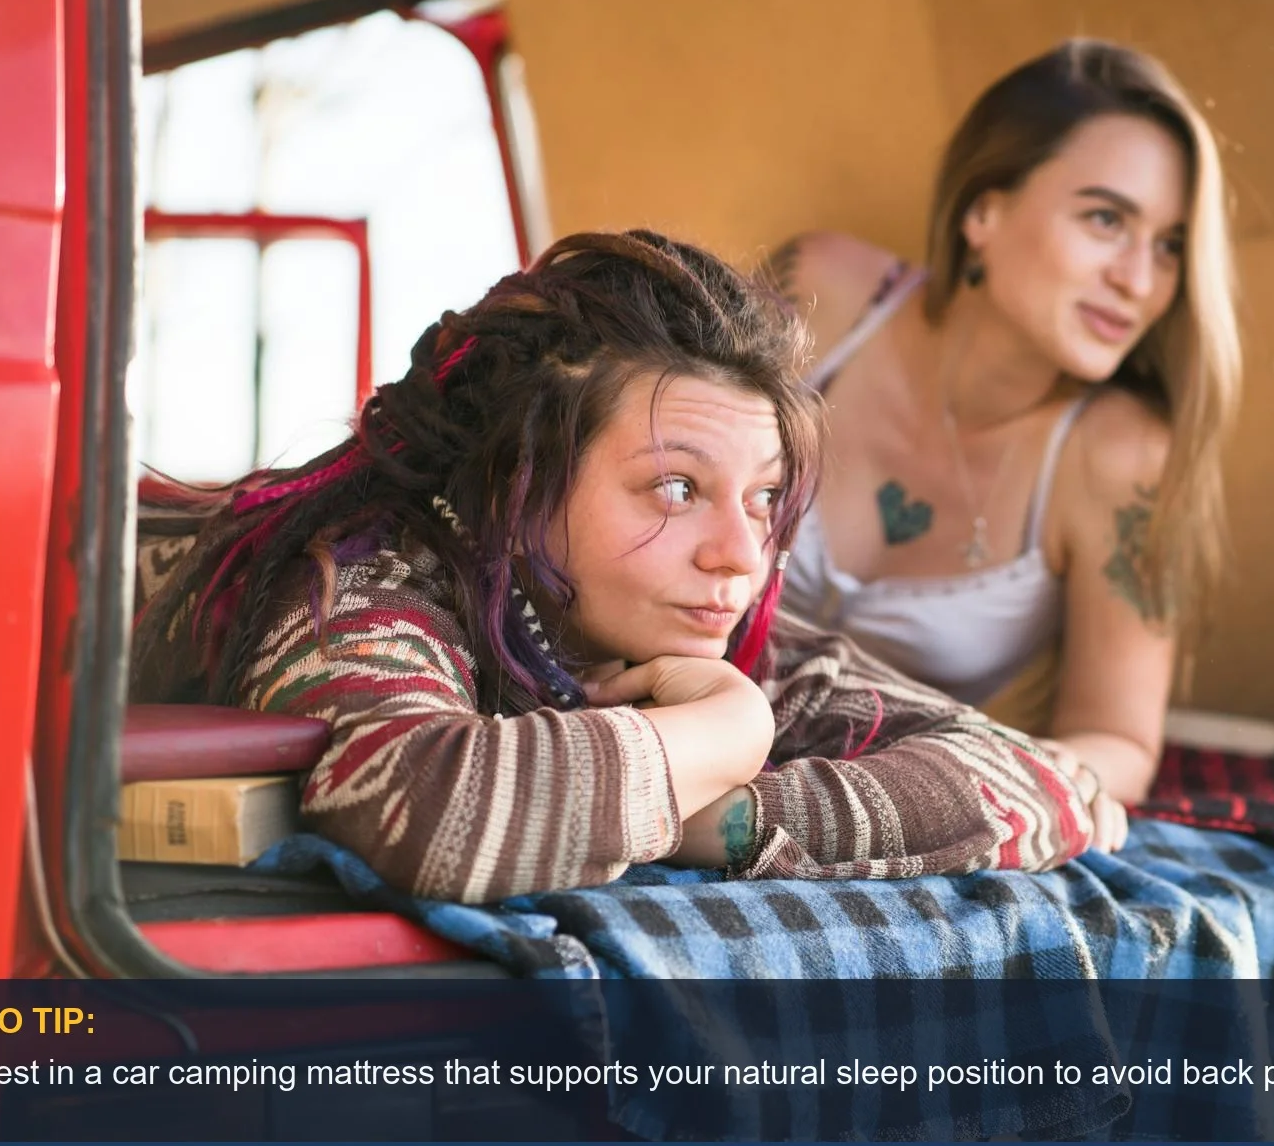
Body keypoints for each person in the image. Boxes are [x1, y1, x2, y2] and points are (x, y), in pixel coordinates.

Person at [130, 230, 1126, 905]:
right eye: (676, 489)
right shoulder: (363, 574)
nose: (738, 554)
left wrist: (729, 817)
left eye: (763, 497)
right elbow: (426, 810)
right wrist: (722, 730)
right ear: (518, 487)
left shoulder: (705, 625)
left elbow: (1055, 786)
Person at [760, 39, 1242, 805]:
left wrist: (948, 794)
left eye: (1170, 247)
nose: (1139, 281)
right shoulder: (822, 293)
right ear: (984, 210)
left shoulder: (1120, 457)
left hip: (868, 819)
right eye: (1105, 219)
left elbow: (1116, 742)